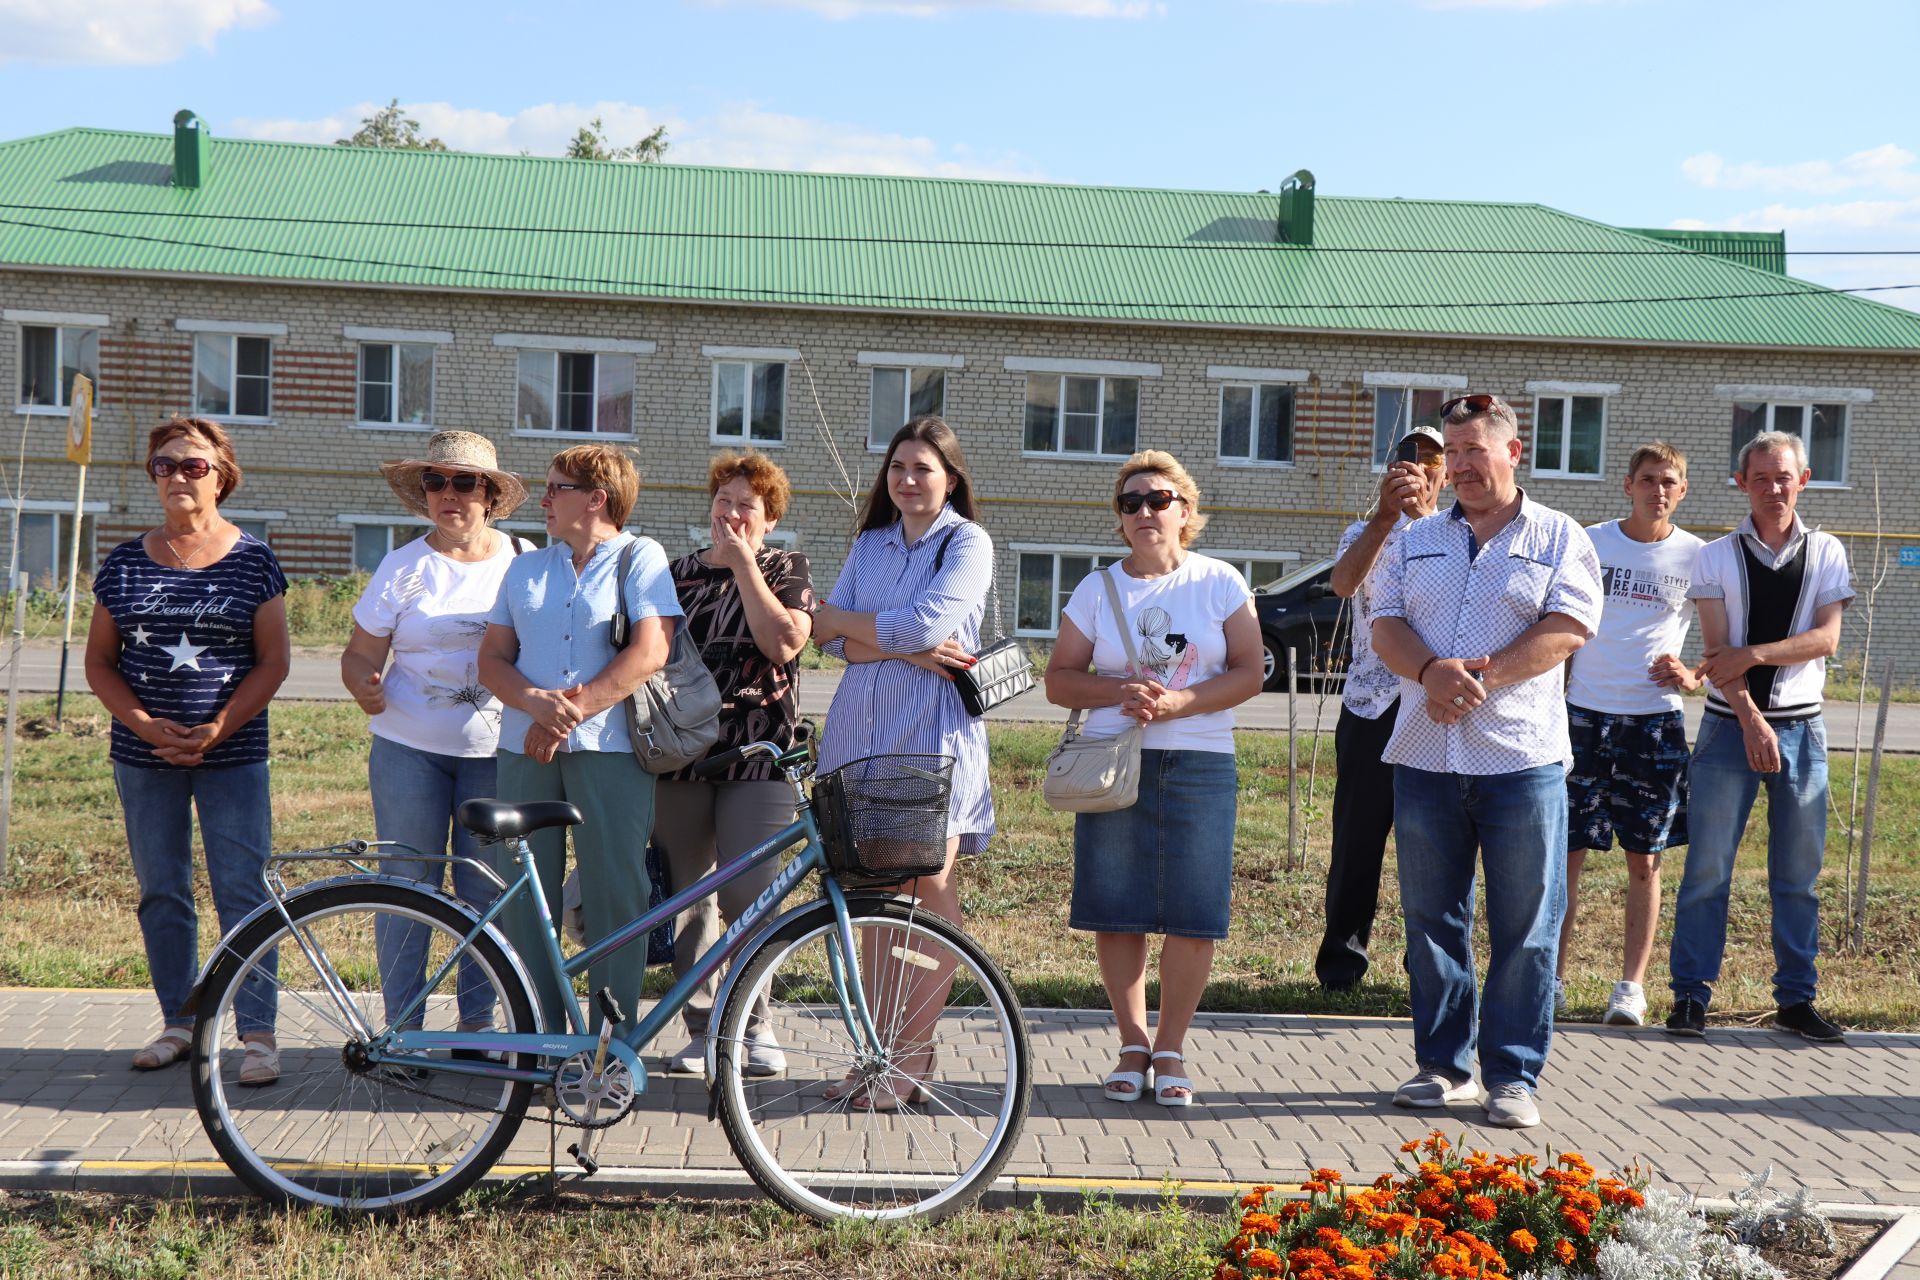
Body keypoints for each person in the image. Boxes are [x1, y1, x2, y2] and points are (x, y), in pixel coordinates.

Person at [1370, 393, 1603, 1129]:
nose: (1463, 465)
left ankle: (1513, 1075)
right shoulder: (1414, 539)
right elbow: (1384, 623)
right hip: (1425, 757)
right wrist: (1432, 673)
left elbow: (1570, 626)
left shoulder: (1560, 535)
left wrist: (1479, 680)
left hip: (1520, 762)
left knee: (1527, 924)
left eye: (1476, 450)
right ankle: (1443, 1067)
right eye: (1453, 452)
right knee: (1431, 918)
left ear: (1513, 453)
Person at [1044, 451, 1263, 1107]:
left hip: (1200, 762)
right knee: (1119, 909)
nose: (1144, 511)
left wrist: (1178, 703)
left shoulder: (1220, 582)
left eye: (1158, 499)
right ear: (1120, 519)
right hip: (1115, 762)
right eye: (1131, 502)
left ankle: (1171, 1047)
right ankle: (1131, 1042)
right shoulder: (1095, 589)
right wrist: (1119, 691)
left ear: (1185, 510)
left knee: (1195, 913)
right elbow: (1059, 680)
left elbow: (1250, 671)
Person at [84, 416, 290, 1084]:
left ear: (221, 475)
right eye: (164, 465)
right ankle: (179, 1022)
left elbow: (274, 662)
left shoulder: (254, 559)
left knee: (244, 891)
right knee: (163, 891)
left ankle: (257, 1035)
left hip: (231, 756)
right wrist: (145, 726)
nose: (176, 476)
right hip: (144, 760)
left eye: (192, 465)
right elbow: (99, 662)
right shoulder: (123, 561)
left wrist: (217, 728)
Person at [810, 415, 993, 1109]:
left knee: (931, 899)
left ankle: (914, 1056)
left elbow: (912, 623)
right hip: (860, 735)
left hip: (930, 740)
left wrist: (877, 632)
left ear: (950, 477)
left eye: (923, 468)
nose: (908, 480)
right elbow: (827, 637)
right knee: (876, 909)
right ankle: (880, 1054)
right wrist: (911, 650)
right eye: (898, 468)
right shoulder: (872, 543)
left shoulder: (967, 542)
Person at [477, 445, 682, 1033]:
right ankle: (538, 1035)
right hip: (524, 750)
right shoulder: (524, 568)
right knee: (524, 895)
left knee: (615, 890)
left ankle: (608, 1043)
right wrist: (534, 709)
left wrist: (563, 714)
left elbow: (651, 651)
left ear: (596, 499)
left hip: (610, 753)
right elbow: (492, 659)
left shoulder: (640, 557)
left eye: (554, 488)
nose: (542, 499)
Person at [341, 430, 531, 1046]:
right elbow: (359, 653)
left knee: (485, 892)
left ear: (492, 495)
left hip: (496, 756)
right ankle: (402, 1032)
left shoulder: (523, 563)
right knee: (406, 887)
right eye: (436, 482)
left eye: (465, 483)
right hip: (407, 751)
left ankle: (478, 1029)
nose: (449, 495)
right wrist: (363, 684)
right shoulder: (403, 566)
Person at [1667, 430, 1853, 1045]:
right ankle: (1690, 998)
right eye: (1761, 477)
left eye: (1785, 477)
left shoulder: (1826, 552)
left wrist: (1755, 652)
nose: (1774, 488)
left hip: (1803, 731)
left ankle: (1796, 1001)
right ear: (1741, 482)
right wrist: (1750, 717)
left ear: (1804, 480)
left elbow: (1825, 639)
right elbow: (1716, 656)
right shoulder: (1715, 556)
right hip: (1727, 730)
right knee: (1708, 871)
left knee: (1797, 876)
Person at [655, 451, 815, 1077]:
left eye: (747, 505)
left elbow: (782, 643)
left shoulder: (785, 567)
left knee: (754, 893)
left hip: (759, 752)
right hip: (680, 754)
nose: (731, 513)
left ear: (768, 518)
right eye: (723, 500)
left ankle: (755, 1023)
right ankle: (703, 1028)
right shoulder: (675, 573)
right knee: (689, 897)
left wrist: (745, 565)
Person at [1555, 442, 1704, 1028]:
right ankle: (1554, 980)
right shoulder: (1591, 542)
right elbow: (1557, 623)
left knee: (1645, 861)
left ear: (1683, 490)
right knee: (1564, 856)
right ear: (1628, 485)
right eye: (1648, 480)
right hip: (1582, 716)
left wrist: (1693, 676)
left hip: (1655, 722)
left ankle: (1630, 989)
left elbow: (1723, 637)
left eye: (1669, 481)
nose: (1657, 490)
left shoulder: (1698, 556)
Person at [1315, 424, 1446, 992]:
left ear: (1448, 473)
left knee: (1436, 844)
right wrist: (1385, 519)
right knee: (1356, 841)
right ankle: (1342, 966)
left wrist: (1419, 520)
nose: (1419, 470)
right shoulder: (1364, 530)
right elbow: (1343, 585)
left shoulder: (1458, 534)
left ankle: (1430, 966)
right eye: (1407, 459)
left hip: (1434, 708)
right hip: (1370, 706)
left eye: (1432, 461)